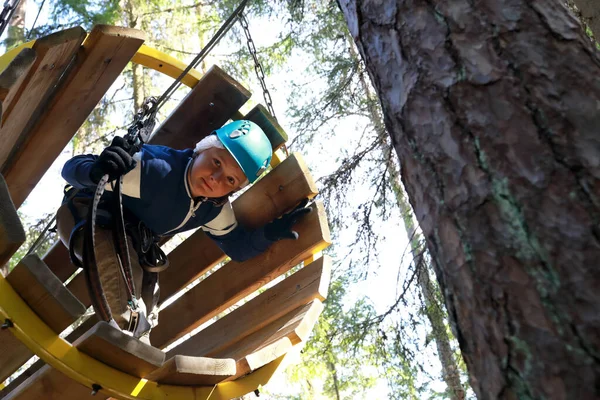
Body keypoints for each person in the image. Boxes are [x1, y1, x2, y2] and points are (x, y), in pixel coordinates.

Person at [56, 120, 310, 342]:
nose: (216, 178)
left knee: (147, 301)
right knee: (125, 299)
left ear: (234, 190)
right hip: (86, 218)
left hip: (130, 240)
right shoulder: (154, 169)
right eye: (216, 162)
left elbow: (237, 246)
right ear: (201, 149)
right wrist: (95, 170)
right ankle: (125, 343)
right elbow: (71, 168)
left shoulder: (213, 209)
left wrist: (268, 233)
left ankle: (137, 346)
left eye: (230, 180)